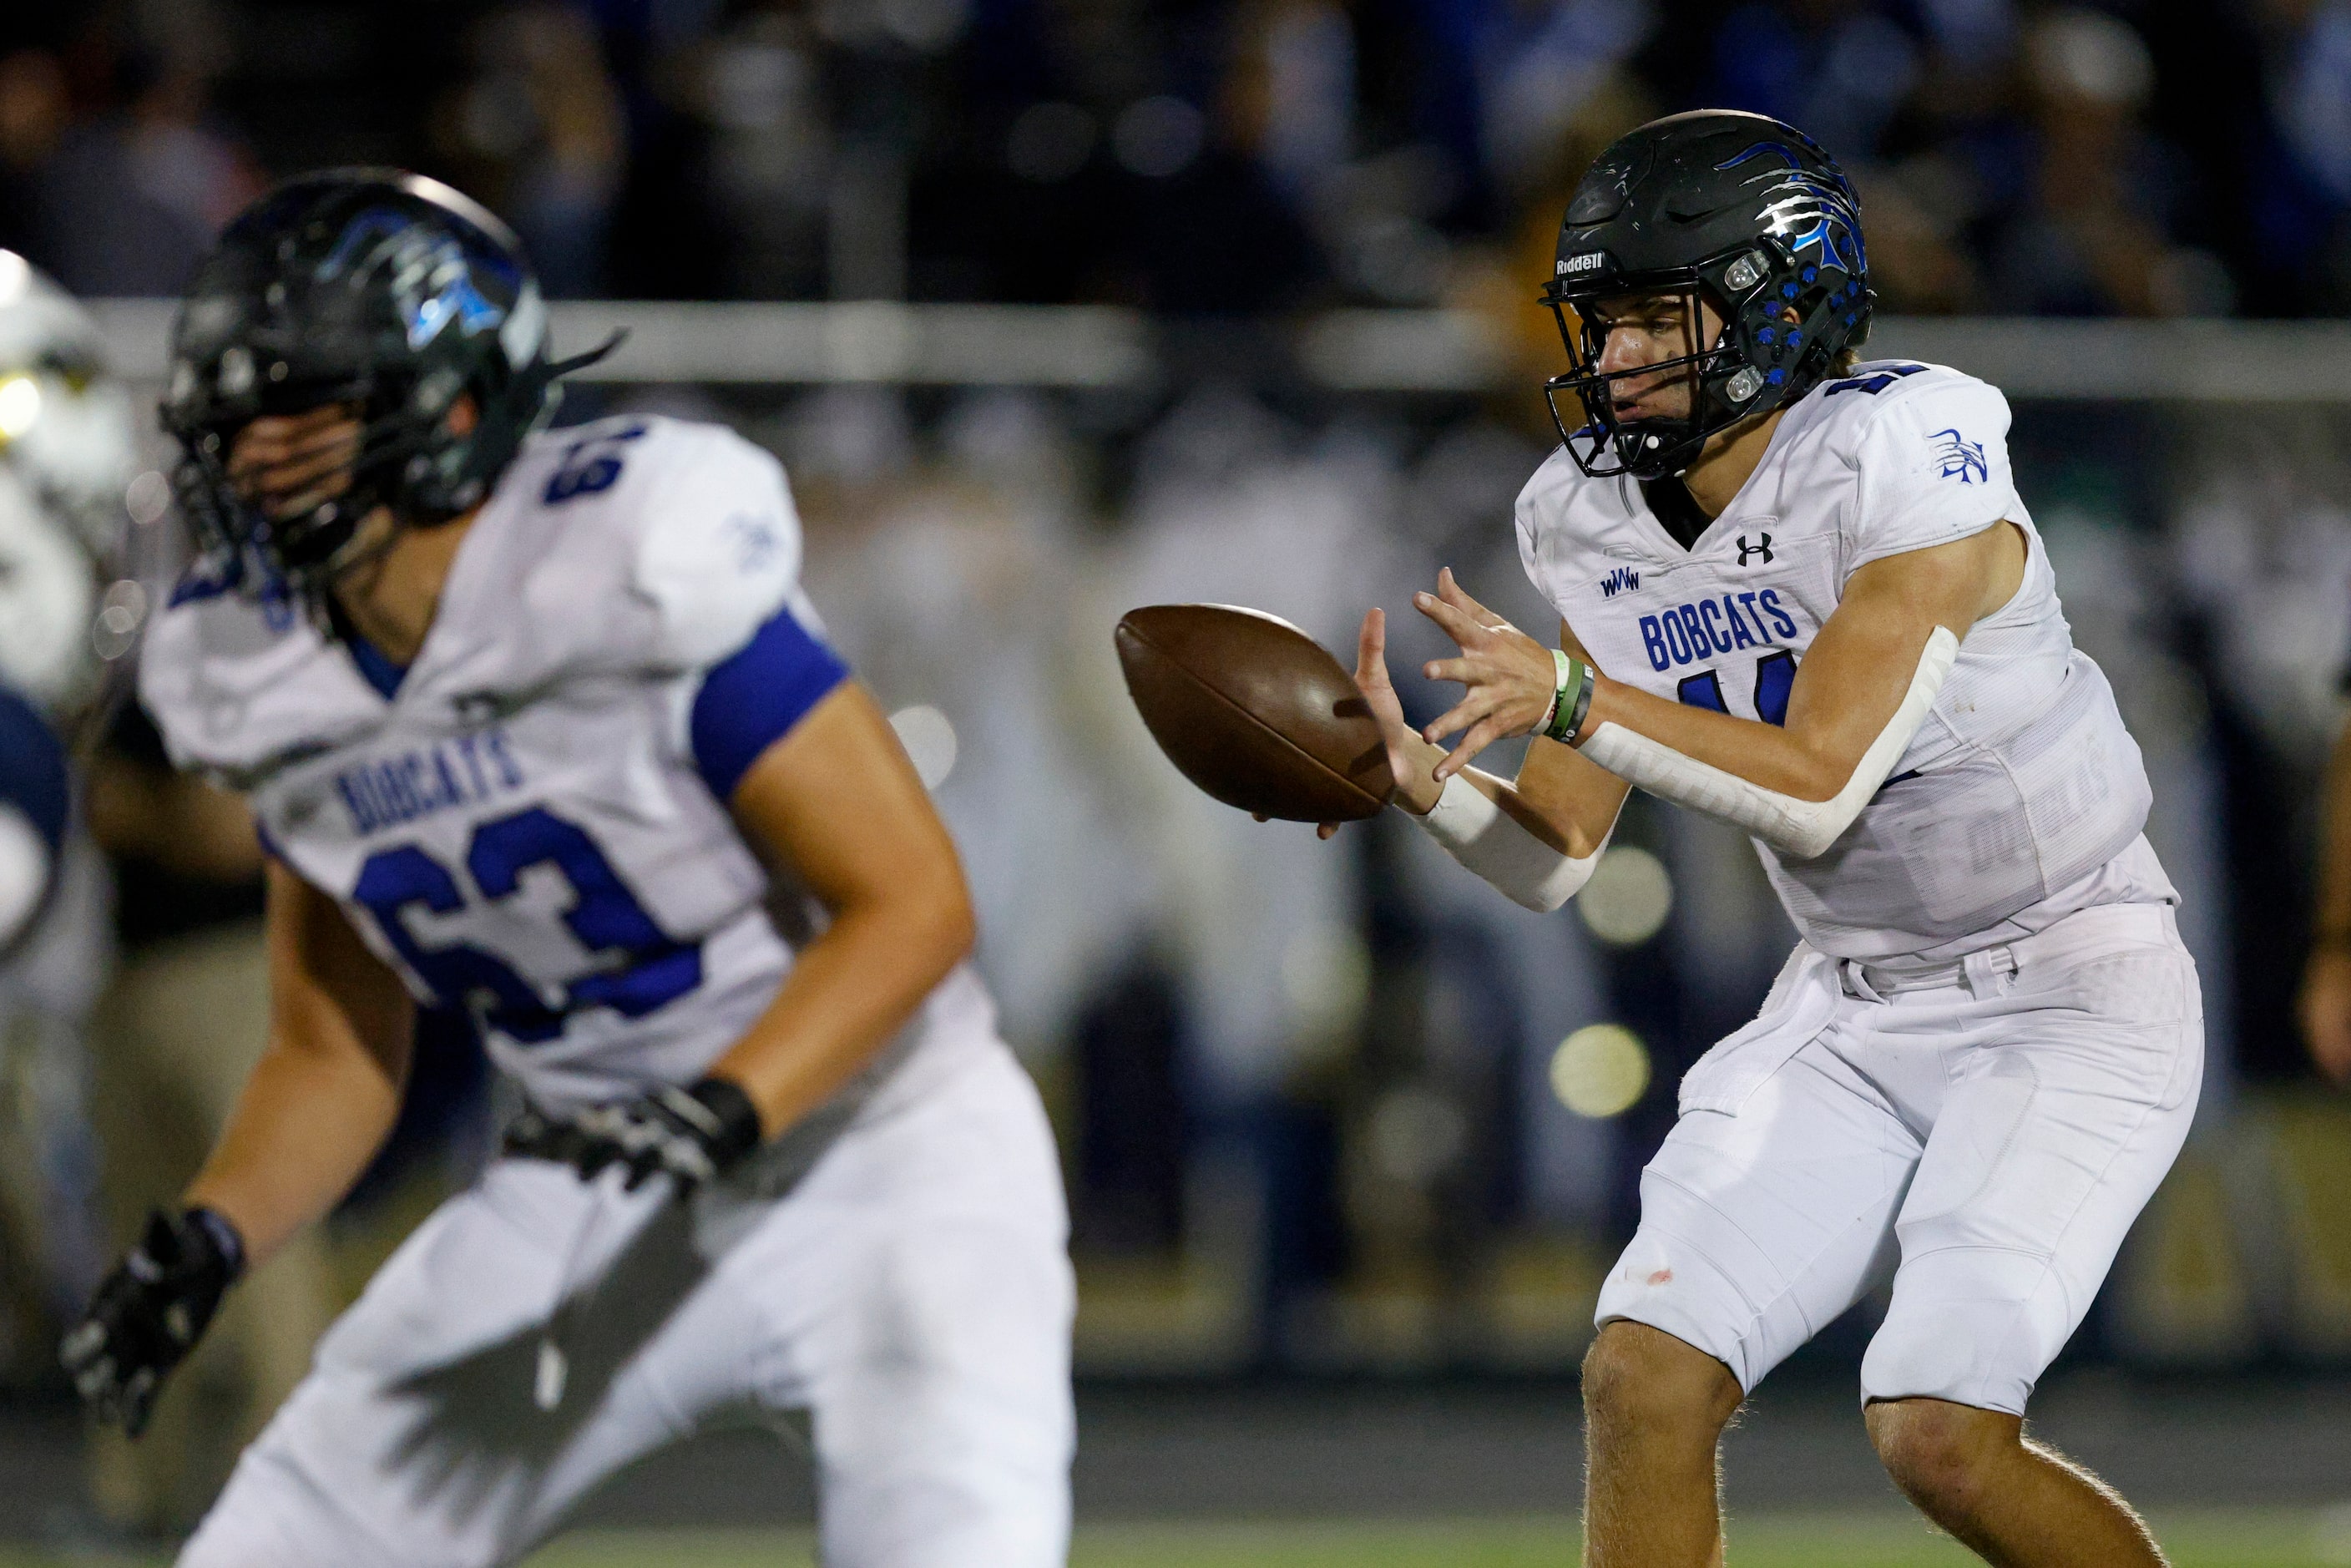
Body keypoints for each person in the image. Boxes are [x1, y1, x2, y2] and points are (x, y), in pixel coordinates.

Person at [60, 170, 1074, 1567]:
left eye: (298, 412)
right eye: (236, 419)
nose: (251, 458)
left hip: (889, 1161)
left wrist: (727, 1101)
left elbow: (912, 903)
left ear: (451, 409)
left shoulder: (626, 552)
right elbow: (337, 1044)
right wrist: (215, 1235)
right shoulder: (260, 669)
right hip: (589, 1187)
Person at [1331, 111, 2198, 1565]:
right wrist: (1418, 780)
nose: (1608, 364)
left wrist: (1576, 694)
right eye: (1595, 326)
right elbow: (1554, 854)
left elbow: (1817, 782)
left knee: (1936, 1426)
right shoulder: (1592, 516)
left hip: (2071, 982)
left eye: (1647, 325)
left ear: (1772, 301)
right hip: (1853, 995)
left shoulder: (1906, 452)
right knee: (1643, 1373)